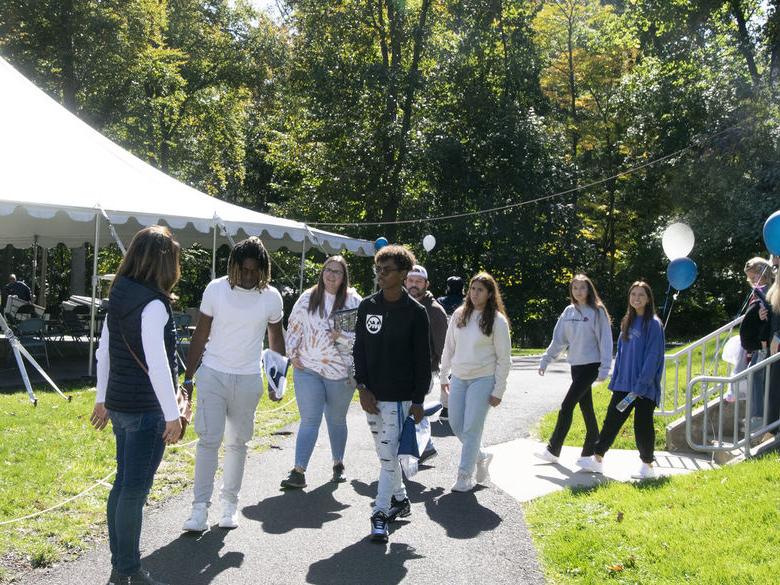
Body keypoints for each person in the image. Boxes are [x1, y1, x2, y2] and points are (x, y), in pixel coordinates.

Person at [90, 225, 184, 585]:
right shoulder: (154, 304)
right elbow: (158, 362)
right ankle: (127, 569)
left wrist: (102, 398)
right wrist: (173, 415)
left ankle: (121, 566)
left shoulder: (120, 293)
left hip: (121, 406)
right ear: (163, 263)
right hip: (146, 410)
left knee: (123, 486)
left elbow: (104, 352)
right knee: (133, 490)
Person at [181, 236, 285, 532]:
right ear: (233, 267)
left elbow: (276, 341)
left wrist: (278, 383)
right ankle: (199, 509)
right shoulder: (215, 290)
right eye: (244, 270)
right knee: (208, 441)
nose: (250, 277)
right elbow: (200, 335)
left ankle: (229, 505)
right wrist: (188, 378)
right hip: (213, 373)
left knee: (238, 443)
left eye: (255, 271)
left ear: (263, 270)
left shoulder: (271, 297)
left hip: (248, 378)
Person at [353, 244, 431, 542]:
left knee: (387, 458)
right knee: (385, 455)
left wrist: (419, 401)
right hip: (371, 396)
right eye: (378, 270)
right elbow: (359, 349)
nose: (380, 275)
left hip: (400, 398)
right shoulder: (368, 306)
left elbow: (422, 361)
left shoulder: (416, 313)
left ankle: (380, 513)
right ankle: (399, 499)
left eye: (387, 270)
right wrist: (362, 388)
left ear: (403, 274)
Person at [280, 256, 362, 489]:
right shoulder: (308, 297)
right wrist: (292, 353)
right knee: (310, 420)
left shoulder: (353, 301)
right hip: (309, 369)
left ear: (344, 276)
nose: (331, 275)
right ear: (322, 272)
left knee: (336, 420)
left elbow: (361, 339)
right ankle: (298, 471)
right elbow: (294, 326)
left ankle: (338, 463)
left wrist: (343, 338)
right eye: (328, 270)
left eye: (337, 272)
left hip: (340, 372)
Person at [578, 281, 664, 480]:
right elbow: (623, 354)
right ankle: (597, 458)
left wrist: (641, 386)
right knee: (612, 421)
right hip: (624, 386)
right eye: (633, 294)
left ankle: (647, 466)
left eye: (641, 295)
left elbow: (653, 357)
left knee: (642, 426)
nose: (636, 298)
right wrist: (616, 380)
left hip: (644, 389)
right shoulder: (628, 321)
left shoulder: (654, 324)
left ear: (648, 298)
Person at [439, 272, 512, 492]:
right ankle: (481, 455)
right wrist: (444, 375)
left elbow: (504, 358)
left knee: (471, 428)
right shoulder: (459, 315)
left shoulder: (497, 321)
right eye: (472, 289)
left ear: (490, 294)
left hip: (483, 379)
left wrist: (499, 389)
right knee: (455, 423)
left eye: (480, 290)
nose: (475, 293)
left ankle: (464, 476)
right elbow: (449, 347)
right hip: (460, 378)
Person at [535, 274, 613, 465]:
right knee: (586, 408)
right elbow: (559, 340)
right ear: (571, 291)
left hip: (591, 366)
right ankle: (591, 451)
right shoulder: (568, 312)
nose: (579, 291)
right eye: (575, 288)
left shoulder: (597, 311)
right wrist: (546, 360)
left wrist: (605, 368)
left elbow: (605, 340)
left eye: (583, 288)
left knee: (567, 406)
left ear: (589, 289)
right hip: (576, 366)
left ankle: (553, 449)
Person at [404, 264, 448, 462]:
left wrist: (446, 375)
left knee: (410, 408)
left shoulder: (435, 311)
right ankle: (425, 446)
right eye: (411, 280)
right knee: (408, 409)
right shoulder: (402, 304)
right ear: (405, 281)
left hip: (424, 372)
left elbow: (444, 348)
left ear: (426, 284)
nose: (414, 285)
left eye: (418, 282)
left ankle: (423, 447)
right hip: (403, 370)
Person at [738, 257, 773, 429]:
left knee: (757, 378)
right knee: (754, 379)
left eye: (755, 277)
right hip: (756, 345)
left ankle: (758, 417)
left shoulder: (769, 291)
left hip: (764, 345)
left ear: (764, 274)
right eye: (750, 278)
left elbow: (770, 313)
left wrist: (762, 319)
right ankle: (755, 415)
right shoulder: (756, 292)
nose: (753, 281)